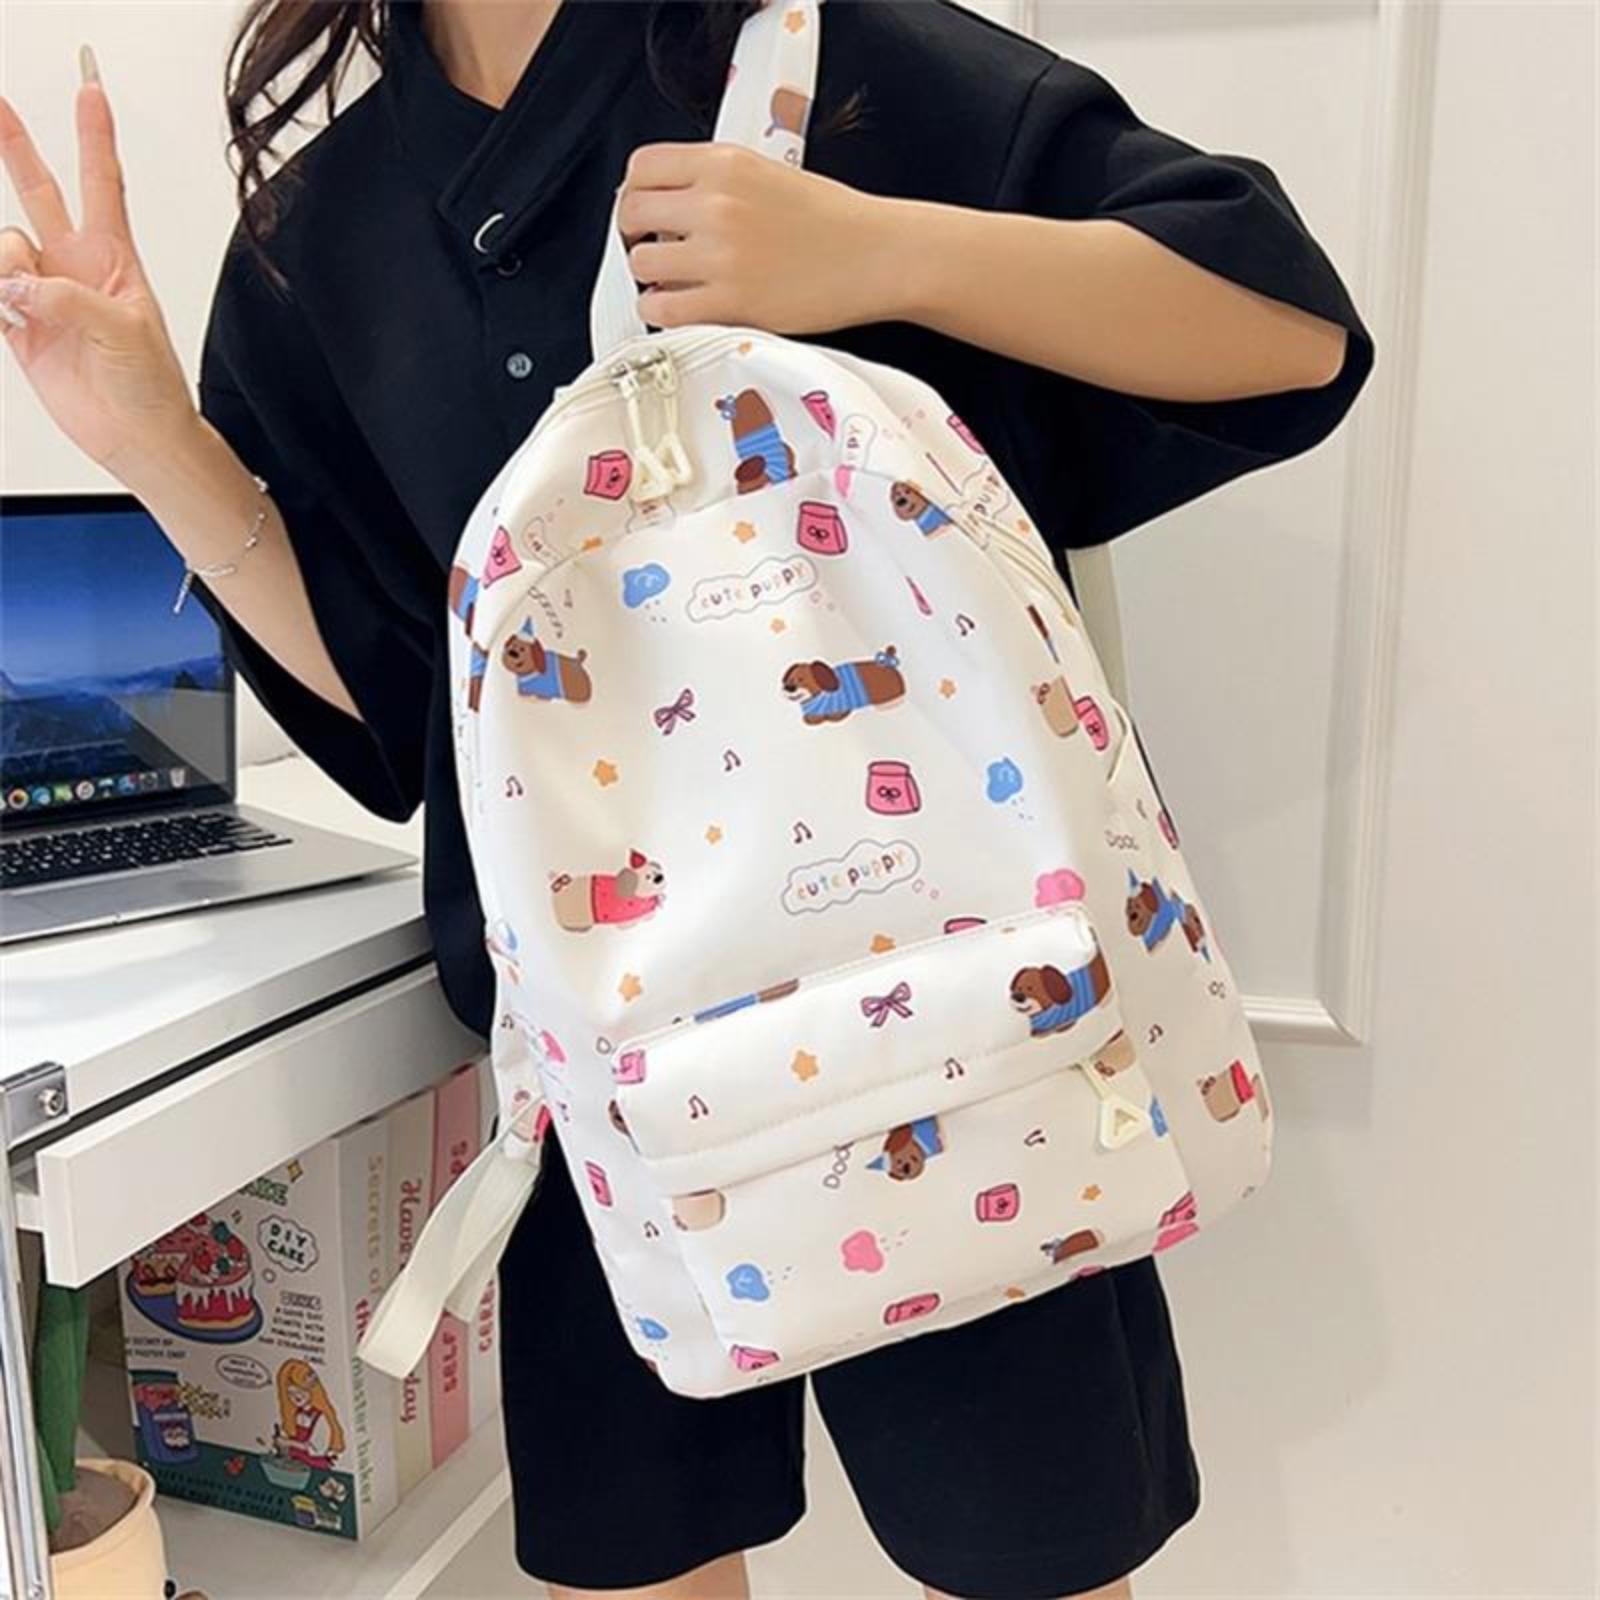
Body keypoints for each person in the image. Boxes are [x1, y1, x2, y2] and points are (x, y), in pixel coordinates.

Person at [0, 4, 1374, 1595]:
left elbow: (1288, 333)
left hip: (962, 1024)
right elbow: (399, 714)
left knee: (1027, 1559)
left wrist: (883, 254)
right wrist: (154, 439)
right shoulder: (325, 234)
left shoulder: (827, 64)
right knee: (636, 1560)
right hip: (603, 1073)